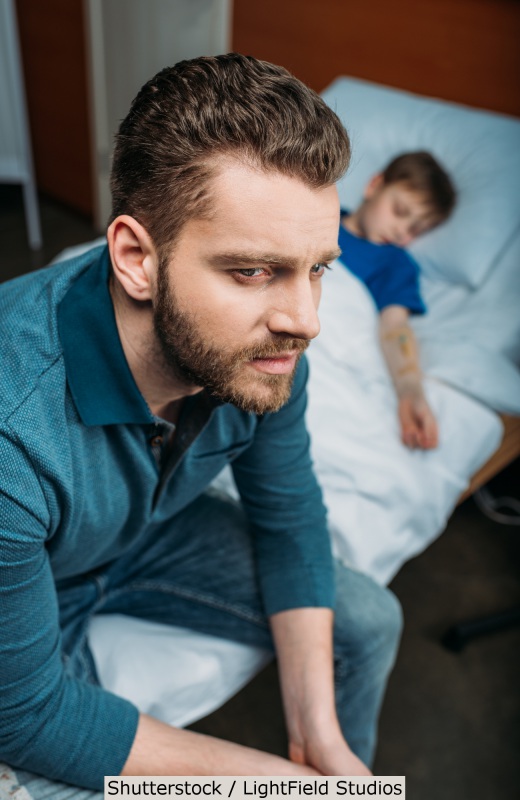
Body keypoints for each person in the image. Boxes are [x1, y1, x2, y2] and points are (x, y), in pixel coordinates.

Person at [0, 54, 402, 790]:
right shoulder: (11, 434)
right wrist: (281, 785)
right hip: (36, 580)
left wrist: (321, 744)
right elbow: (24, 714)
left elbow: (289, 518)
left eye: (318, 268)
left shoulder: (265, 351)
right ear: (135, 259)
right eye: (253, 271)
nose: (304, 322)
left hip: (140, 537)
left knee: (371, 621)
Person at [338, 152, 456, 449]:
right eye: (400, 211)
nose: (402, 232)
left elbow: (395, 327)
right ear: (375, 185)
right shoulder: (319, 212)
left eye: (416, 230)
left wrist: (410, 390)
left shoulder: (395, 263)